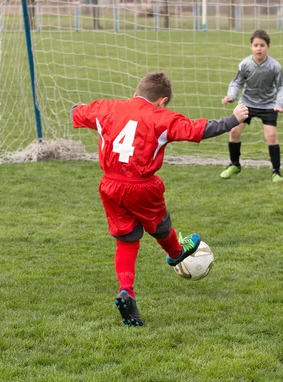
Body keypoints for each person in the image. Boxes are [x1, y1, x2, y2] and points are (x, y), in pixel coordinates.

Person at [71, 72, 249, 327]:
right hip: (141, 185)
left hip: (109, 184)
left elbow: (77, 112)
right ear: (162, 101)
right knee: (160, 226)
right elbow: (198, 130)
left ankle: (126, 291)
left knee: (127, 240)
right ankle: (176, 253)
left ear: (136, 92)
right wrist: (233, 119)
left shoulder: (107, 108)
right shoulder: (161, 118)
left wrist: (79, 109)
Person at [221, 29, 283, 182]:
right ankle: (235, 165)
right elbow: (237, 82)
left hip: (268, 104)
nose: (259, 48)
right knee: (234, 131)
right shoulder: (245, 64)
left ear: (268, 47)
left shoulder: (274, 66)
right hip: (247, 102)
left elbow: (282, 86)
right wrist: (231, 95)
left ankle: (276, 172)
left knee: (271, 136)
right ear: (251, 47)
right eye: (256, 45)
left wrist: (279, 104)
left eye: (262, 45)